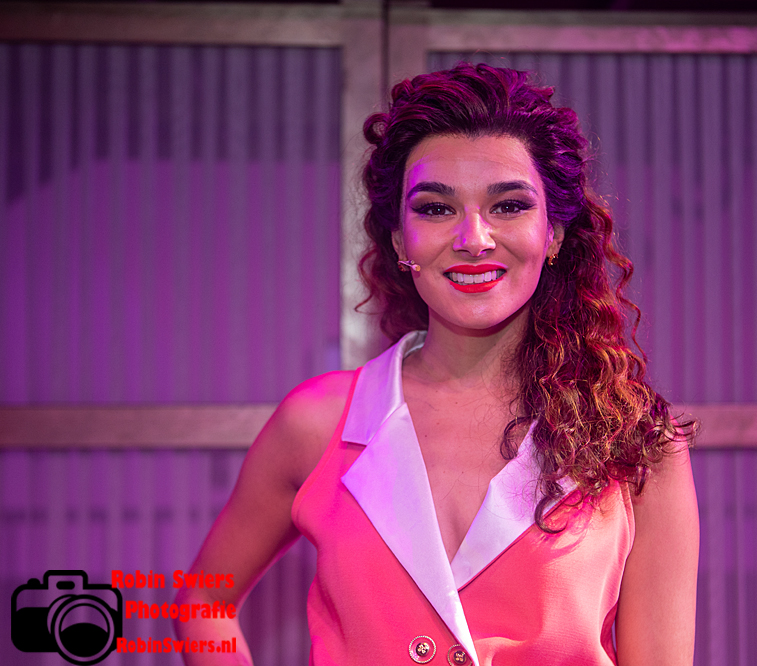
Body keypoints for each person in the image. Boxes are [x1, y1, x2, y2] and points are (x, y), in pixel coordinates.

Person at [175, 62, 699, 666]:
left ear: (553, 233)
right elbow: (204, 599)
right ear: (400, 241)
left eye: (508, 206)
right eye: (435, 208)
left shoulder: (637, 442)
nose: (474, 239)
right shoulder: (317, 423)